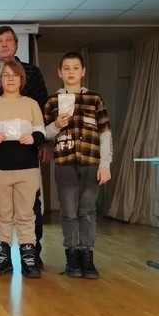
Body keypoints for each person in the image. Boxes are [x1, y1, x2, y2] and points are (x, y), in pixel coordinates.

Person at [0, 25, 49, 268]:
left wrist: (40, 141)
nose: (4, 45)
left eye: (8, 40)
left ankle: (31, 252)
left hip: (26, 160)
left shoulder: (33, 74)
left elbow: (42, 116)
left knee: (30, 207)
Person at [43, 52, 112, 279]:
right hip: (64, 162)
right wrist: (56, 125)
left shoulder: (94, 99)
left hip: (91, 162)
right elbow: (44, 134)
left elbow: (105, 132)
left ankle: (87, 255)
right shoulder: (52, 102)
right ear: (59, 73)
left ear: (83, 71)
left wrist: (105, 163)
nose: (71, 72)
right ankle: (71, 254)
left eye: (75, 68)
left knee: (88, 210)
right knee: (69, 211)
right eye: (66, 68)